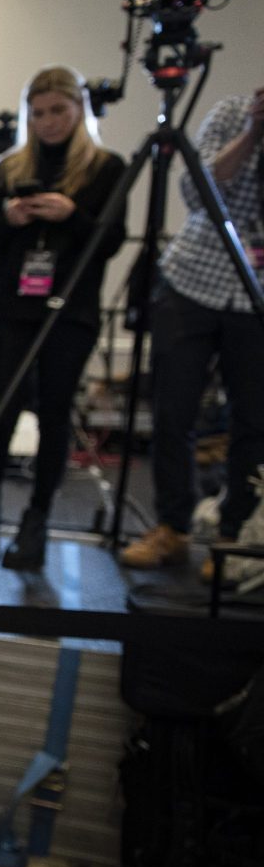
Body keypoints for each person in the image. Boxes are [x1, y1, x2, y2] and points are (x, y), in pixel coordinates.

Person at [0, 67, 127, 570]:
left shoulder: (106, 168)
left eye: (58, 110)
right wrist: (11, 218)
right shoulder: (10, 168)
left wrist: (70, 215)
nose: (49, 121)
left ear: (79, 110)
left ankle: (36, 521)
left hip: (71, 311)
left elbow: (111, 241)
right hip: (11, 307)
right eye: (38, 113)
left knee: (54, 414)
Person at [121, 86, 264, 579]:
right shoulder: (232, 112)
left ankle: (234, 536)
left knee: (253, 420)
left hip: (258, 295)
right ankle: (172, 529)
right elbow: (195, 191)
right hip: (194, 281)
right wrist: (253, 132)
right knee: (172, 412)